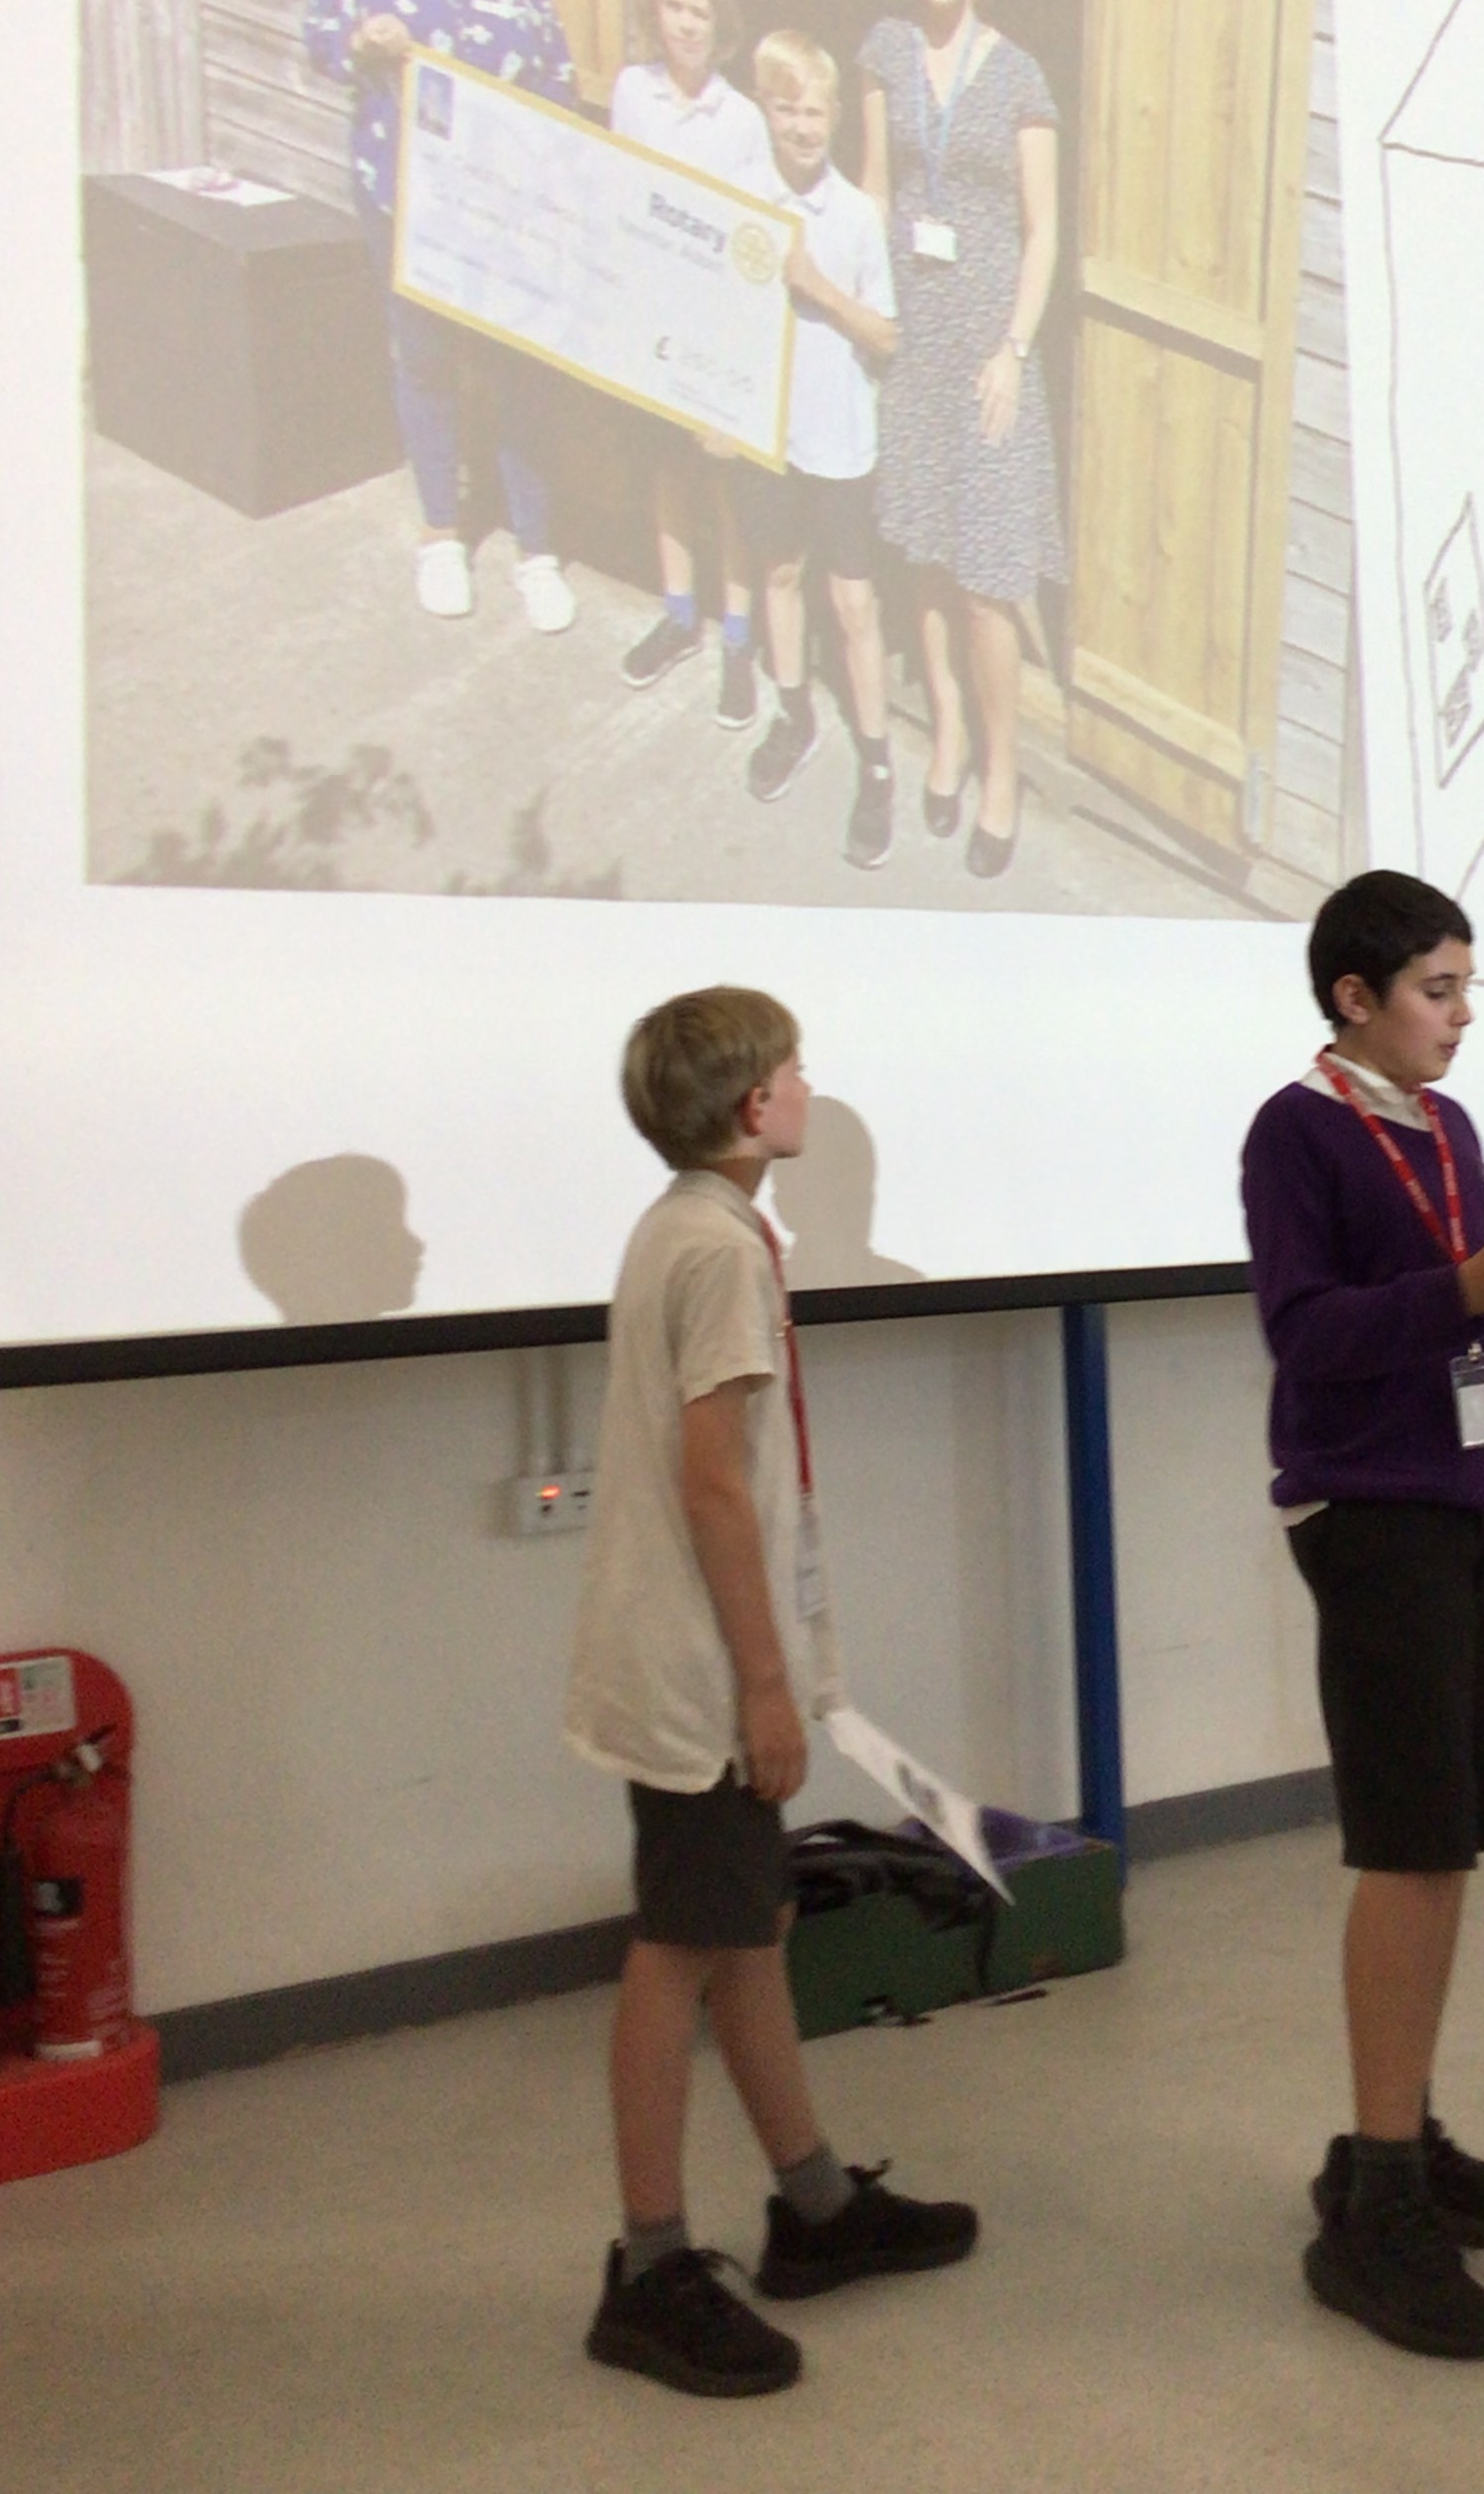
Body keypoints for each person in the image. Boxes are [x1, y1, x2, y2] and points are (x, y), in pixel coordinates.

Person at [565, 986, 979, 2397]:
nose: (808, 1085)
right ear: (755, 1107)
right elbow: (714, 1487)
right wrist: (765, 1690)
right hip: (699, 1672)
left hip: (691, 1656)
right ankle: (649, 2267)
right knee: (682, 1946)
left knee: (750, 1929)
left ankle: (814, 2206)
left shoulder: (690, 1226)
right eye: (795, 1070)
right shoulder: (719, 1253)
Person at [1239, 870, 1484, 2362]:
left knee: (1452, 1838)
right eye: (1437, 990)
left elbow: (1474, 1321)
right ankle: (1377, 2203)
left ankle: (1401, 2136)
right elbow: (1307, 1332)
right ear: (1355, 998)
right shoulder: (1298, 1129)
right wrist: (1468, 1287)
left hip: (1467, 1501)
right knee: (1410, 1844)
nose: (1461, 1016)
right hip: (1371, 1509)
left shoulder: (1448, 1130)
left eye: (1466, 989)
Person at [301, 0, 579, 632]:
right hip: (403, 198)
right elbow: (316, 32)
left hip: (498, 212)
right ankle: (441, 535)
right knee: (422, 363)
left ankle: (537, 550)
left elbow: (557, 70)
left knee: (520, 373)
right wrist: (360, 41)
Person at [858, 0, 1062, 880]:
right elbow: (874, 192)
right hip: (913, 346)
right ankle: (944, 728)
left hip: (986, 357)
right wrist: (866, 318)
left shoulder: (1020, 76)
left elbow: (1044, 229)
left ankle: (1001, 772)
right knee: (925, 556)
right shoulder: (885, 52)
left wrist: (1013, 349)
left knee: (988, 582)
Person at [741, 33, 901, 869]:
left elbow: (886, 335)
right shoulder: (745, 199)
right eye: (786, 110)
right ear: (764, 111)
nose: (802, 128)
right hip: (772, 431)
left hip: (840, 435)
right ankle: (794, 712)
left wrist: (818, 289)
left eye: (814, 112)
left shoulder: (856, 216)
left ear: (835, 116)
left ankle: (876, 762)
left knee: (853, 604)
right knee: (777, 573)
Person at [612, 0, 776, 729]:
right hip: (651, 319)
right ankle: (679, 613)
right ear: (655, 10)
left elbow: (753, 239)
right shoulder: (631, 92)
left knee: (724, 483)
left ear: (721, 20)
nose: (685, 24)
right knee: (666, 468)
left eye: (699, 11)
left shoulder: (741, 118)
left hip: (716, 331)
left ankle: (738, 635)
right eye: (673, 6)